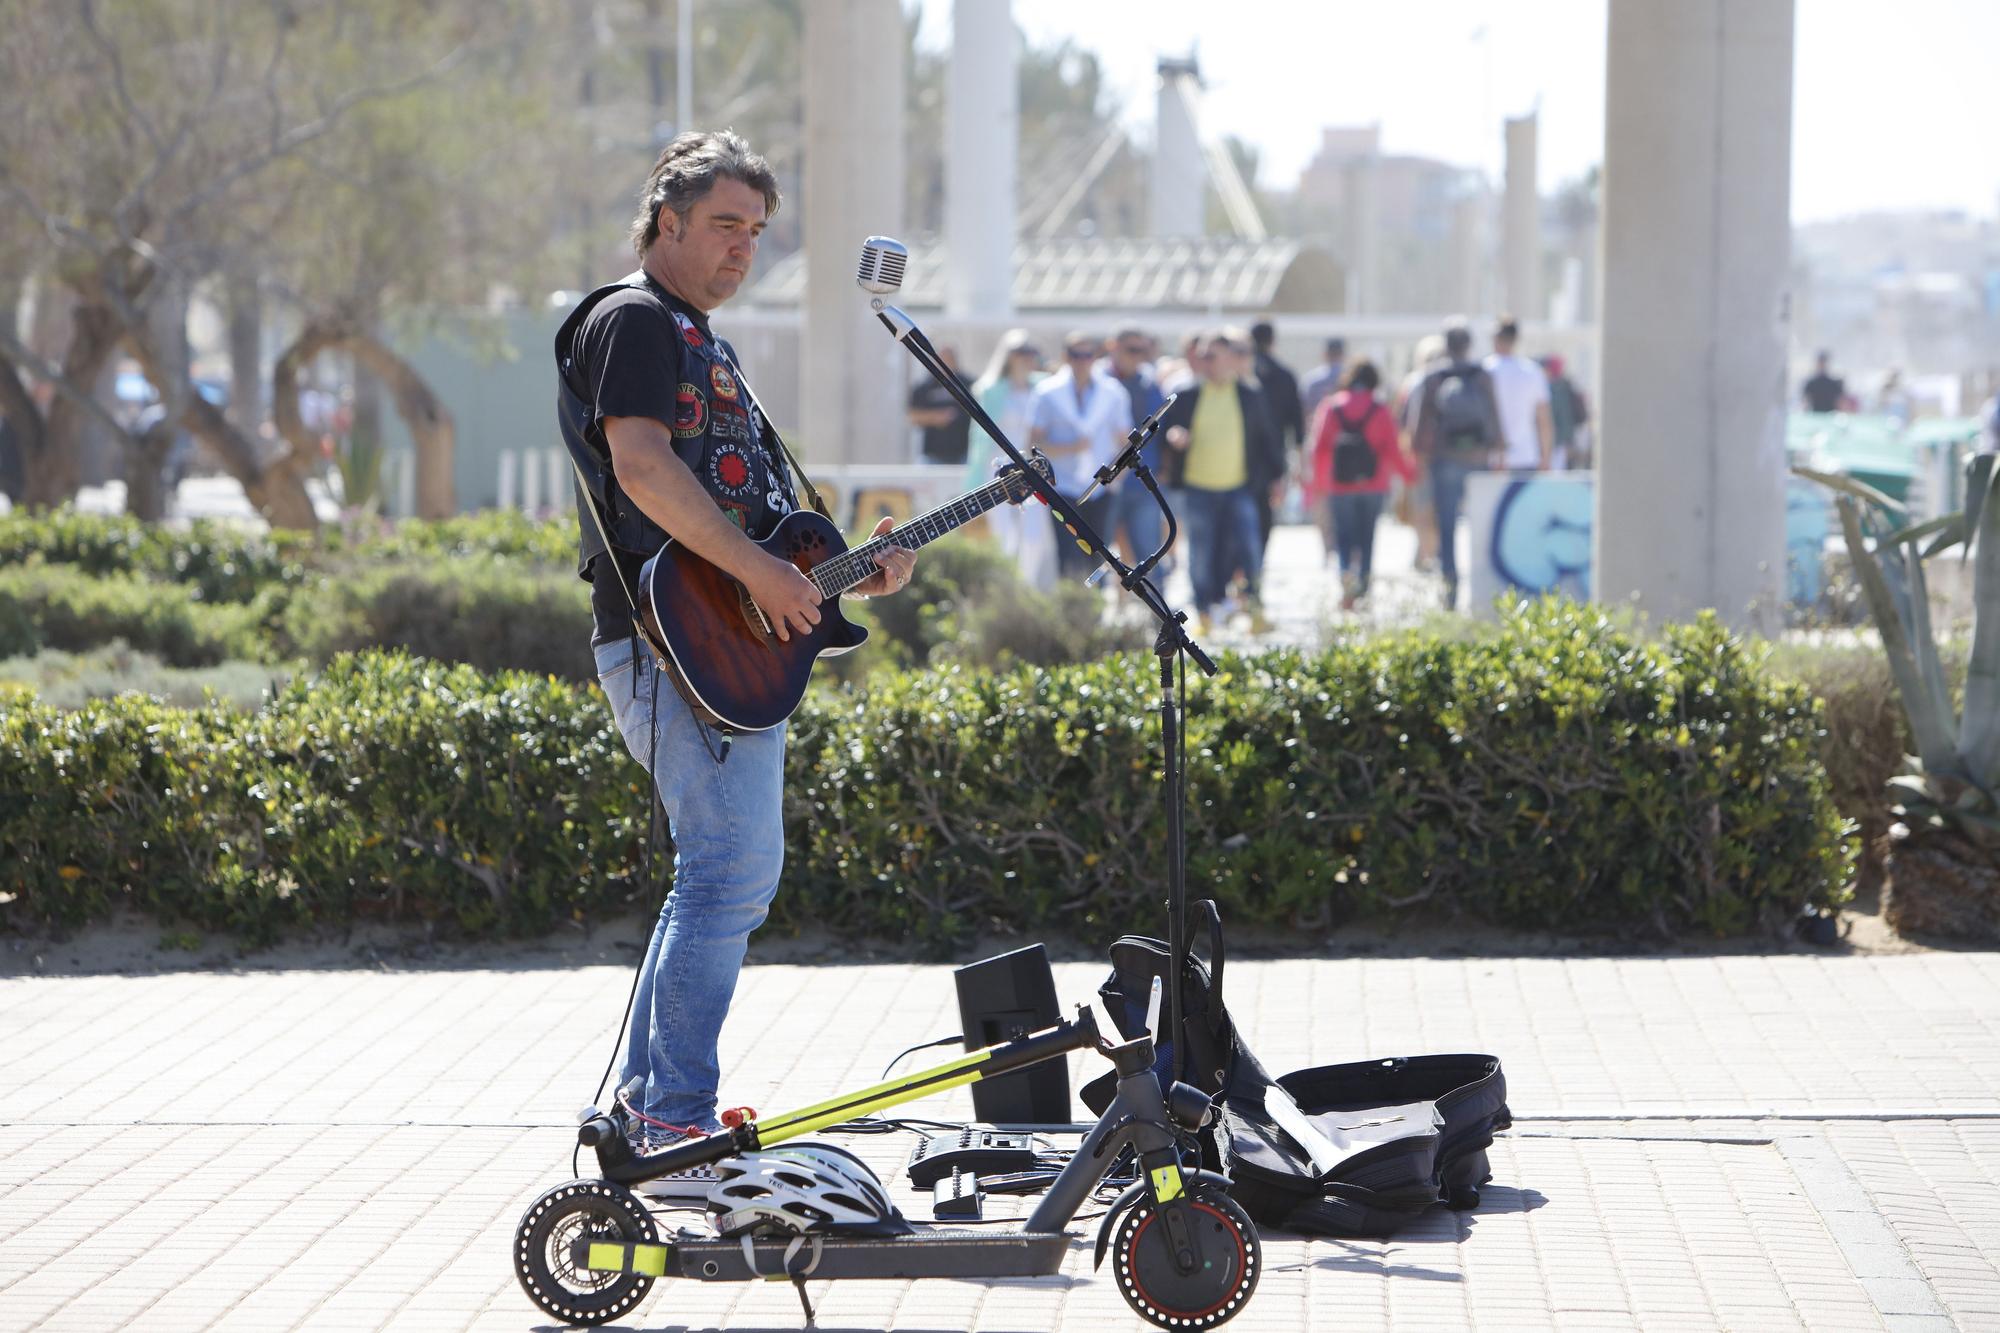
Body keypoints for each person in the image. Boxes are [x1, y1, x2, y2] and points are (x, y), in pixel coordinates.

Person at [554, 131, 918, 1164]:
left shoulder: (697, 337)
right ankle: (669, 1113)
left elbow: (756, 516)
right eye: (722, 226)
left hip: (717, 645)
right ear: (664, 222)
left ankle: (651, 1103)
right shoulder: (633, 319)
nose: (741, 249)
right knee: (724, 875)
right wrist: (760, 575)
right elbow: (641, 468)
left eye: (755, 232)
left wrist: (847, 567)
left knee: (725, 878)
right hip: (673, 646)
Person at [1159, 330, 1283, 634]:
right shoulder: (1185, 394)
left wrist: (1278, 478)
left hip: (1240, 487)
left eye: (1211, 355)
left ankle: (1253, 610)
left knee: (1250, 550)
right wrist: (1173, 436)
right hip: (1198, 488)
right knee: (1200, 554)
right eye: (1202, 356)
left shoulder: (1249, 394)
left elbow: (1269, 441)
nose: (1205, 362)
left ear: (1228, 358)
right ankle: (1203, 614)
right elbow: (1164, 431)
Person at [1307, 360, 1413, 609]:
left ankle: (1346, 590)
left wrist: (1318, 484)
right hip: (1373, 485)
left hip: (1339, 486)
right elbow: (1393, 449)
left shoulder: (1331, 407)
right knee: (1366, 540)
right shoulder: (1380, 409)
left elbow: (1319, 447)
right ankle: (1363, 590)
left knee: (1343, 539)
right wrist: (1410, 476)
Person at [1410, 321, 1502, 610]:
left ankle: (1450, 590)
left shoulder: (1434, 377)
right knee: (1481, 525)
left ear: (1446, 345)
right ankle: (1483, 587)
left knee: (1447, 527)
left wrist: (1420, 456)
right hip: (1478, 459)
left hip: (1445, 459)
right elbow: (1494, 416)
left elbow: (1420, 423)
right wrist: (1497, 448)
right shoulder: (1482, 375)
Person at [1029, 331, 1133, 579]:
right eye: (1077, 355)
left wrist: (1117, 479)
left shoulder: (1113, 392)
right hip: (1062, 485)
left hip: (1100, 486)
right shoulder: (1047, 392)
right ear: (1066, 357)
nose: (1083, 360)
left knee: (1099, 554)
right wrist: (1071, 447)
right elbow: (1034, 443)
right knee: (1068, 553)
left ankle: (1094, 609)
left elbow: (1124, 441)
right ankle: (1072, 609)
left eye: (1088, 355)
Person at [970, 330, 1056, 590]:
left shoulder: (1043, 387)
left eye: (1030, 352)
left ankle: (1026, 587)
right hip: (998, 469)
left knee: (1034, 534)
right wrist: (972, 479)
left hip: (1033, 470)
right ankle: (1005, 588)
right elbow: (978, 439)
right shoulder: (991, 390)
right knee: (1003, 534)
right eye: (1020, 352)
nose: (1026, 358)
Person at [1107, 325, 1168, 567]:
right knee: (1098, 550)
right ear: (1115, 347)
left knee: (1150, 550)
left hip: (1143, 479)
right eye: (1132, 349)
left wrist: (1164, 466)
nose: (1138, 356)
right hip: (1107, 482)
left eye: (1142, 350)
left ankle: (1155, 602)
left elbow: (1160, 427)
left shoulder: (1150, 383)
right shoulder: (1100, 382)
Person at [1248, 321, 1304, 553]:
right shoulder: (1285, 375)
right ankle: (1254, 571)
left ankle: (1242, 571)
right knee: (1264, 515)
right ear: (1272, 341)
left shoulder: (1243, 374)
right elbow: (1297, 424)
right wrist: (1298, 462)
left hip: (1243, 454)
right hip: (1273, 457)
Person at [1484, 316, 1551, 473]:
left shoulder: (1483, 371)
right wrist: (1546, 456)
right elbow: (1544, 419)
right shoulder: (1532, 371)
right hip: (1526, 455)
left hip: (1490, 458)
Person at [909, 344, 974, 463]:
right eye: (942, 359)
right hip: (933, 454)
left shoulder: (968, 384)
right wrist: (935, 417)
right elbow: (913, 416)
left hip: (964, 453)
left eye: (949, 359)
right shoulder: (925, 387)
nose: (945, 363)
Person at [1541, 354, 1590, 470]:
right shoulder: (1566, 385)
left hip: (1557, 442)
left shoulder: (1555, 389)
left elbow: (1561, 417)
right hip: (1562, 442)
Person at [1299, 336, 1347, 424]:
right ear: (1342, 354)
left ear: (1325, 353)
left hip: (1318, 428)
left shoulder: (1312, 379)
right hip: (1345, 431)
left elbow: (1304, 409)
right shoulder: (1349, 378)